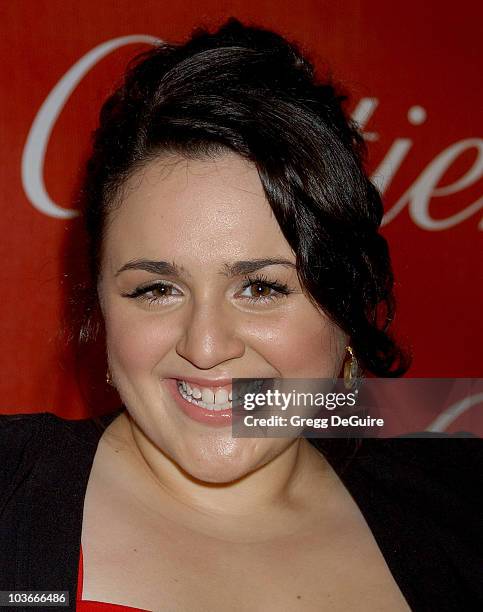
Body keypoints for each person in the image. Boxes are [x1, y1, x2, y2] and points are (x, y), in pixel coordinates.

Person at [1, 18, 481, 612]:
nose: (205, 346)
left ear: (345, 301)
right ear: (100, 306)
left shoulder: (462, 503)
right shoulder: (11, 492)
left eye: (259, 287)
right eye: (156, 289)